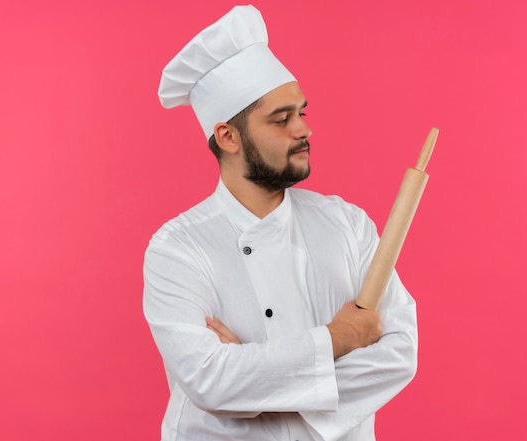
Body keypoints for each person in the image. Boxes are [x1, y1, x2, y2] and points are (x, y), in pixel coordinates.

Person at [143, 5, 418, 441]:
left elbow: (399, 353)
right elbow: (209, 382)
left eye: (302, 113)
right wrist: (339, 340)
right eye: (281, 119)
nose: (304, 130)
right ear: (228, 137)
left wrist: (254, 386)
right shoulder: (177, 249)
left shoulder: (348, 224)